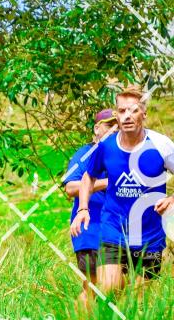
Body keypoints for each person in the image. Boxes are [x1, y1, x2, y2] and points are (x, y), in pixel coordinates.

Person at [71, 86, 174, 293]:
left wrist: (172, 199)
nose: (127, 116)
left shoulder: (161, 145)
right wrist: (83, 208)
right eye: (122, 111)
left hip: (150, 236)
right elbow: (89, 176)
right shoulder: (106, 146)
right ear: (117, 115)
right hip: (114, 232)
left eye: (133, 110)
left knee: (140, 297)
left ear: (144, 114)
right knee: (109, 288)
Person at [64, 108, 117, 301]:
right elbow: (70, 187)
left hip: (116, 232)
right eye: (110, 125)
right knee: (93, 286)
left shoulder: (120, 156)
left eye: (118, 126)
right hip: (90, 230)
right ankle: (78, 318)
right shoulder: (85, 154)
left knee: (116, 287)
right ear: (96, 128)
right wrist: (107, 183)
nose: (115, 130)